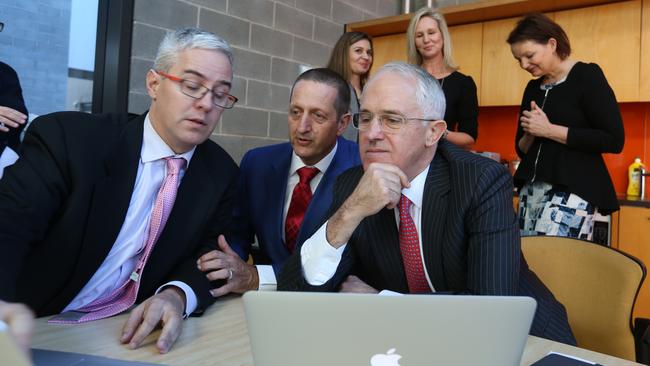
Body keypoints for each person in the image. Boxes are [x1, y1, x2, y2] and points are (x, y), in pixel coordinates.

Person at [278, 62, 576, 345]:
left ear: (433, 132)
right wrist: (350, 212)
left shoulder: (480, 181)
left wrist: (384, 301)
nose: (372, 134)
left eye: (392, 120)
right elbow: (296, 293)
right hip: (418, 343)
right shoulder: (353, 186)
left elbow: (491, 309)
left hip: (526, 343)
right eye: (366, 118)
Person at [0, 27, 239, 353]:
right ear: (154, 84)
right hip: (34, 325)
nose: (206, 104)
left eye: (221, 94)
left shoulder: (221, 172)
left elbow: (208, 253)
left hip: (124, 335)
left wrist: (176, 294)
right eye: (192, 86)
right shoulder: (70, 140)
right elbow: (9, 225)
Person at [196, 68, 360, 295]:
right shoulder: (257, 163)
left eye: (318, 116)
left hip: (329, 303)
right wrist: (228, 265)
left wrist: (255, 276)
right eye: (295, 112)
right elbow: (236, 236)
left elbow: (347, 262)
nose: (302, 127)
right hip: (261, 303)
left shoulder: (360, 171)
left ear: (342, 123)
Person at [507, 13, 624, 239]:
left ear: (552, 44)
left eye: (529, 55)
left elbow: (613, 139)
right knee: (530, 263)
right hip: (531, 190)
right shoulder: (532, 88)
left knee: (554, 264)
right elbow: (521, 148)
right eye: (518, 59)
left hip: (574, 190)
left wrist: (549, 130)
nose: (524, 65)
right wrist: (532, 131)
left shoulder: (587, 76)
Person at [406, 7, 478, 149]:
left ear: (442, 36)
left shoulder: (463, 84)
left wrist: (438, 131)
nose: (426, 40)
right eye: (419, 35)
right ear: (414, 42)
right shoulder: (406, 80)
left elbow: (469, 138)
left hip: (444, 160)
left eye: (431, 32)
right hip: (409, 156)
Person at [326, 31, 373, 141]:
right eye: (358, 51)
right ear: (343, 53)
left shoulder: (370, 90)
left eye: (369, 52)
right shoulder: (329, 87)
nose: (366, 57)